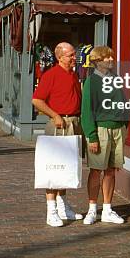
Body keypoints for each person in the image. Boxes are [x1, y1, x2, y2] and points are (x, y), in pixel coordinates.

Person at [32, 42, 83, 227]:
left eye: (73, 54)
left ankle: (63, 207)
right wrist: (55, 115)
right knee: (53, 168)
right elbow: (36, 100)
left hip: (73, 123)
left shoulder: (73, 75)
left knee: (66, 168)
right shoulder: (51, 75)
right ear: (59, 57)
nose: (74, 57)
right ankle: (51, 210)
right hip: (59, 125)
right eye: (70, 55)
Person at [81, 46, 129, 226]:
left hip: (117, 130)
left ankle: (108, 208)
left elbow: (123, 102)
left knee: (110, 171)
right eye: (106, 57)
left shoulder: (116, 79)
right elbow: (86, 111)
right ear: (97, 61)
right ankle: (92, 209)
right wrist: (92, 136)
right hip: (100, 131)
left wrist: (125, 124)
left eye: (111, 57)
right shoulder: (91, 82)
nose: (110, 60)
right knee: (96, 171)